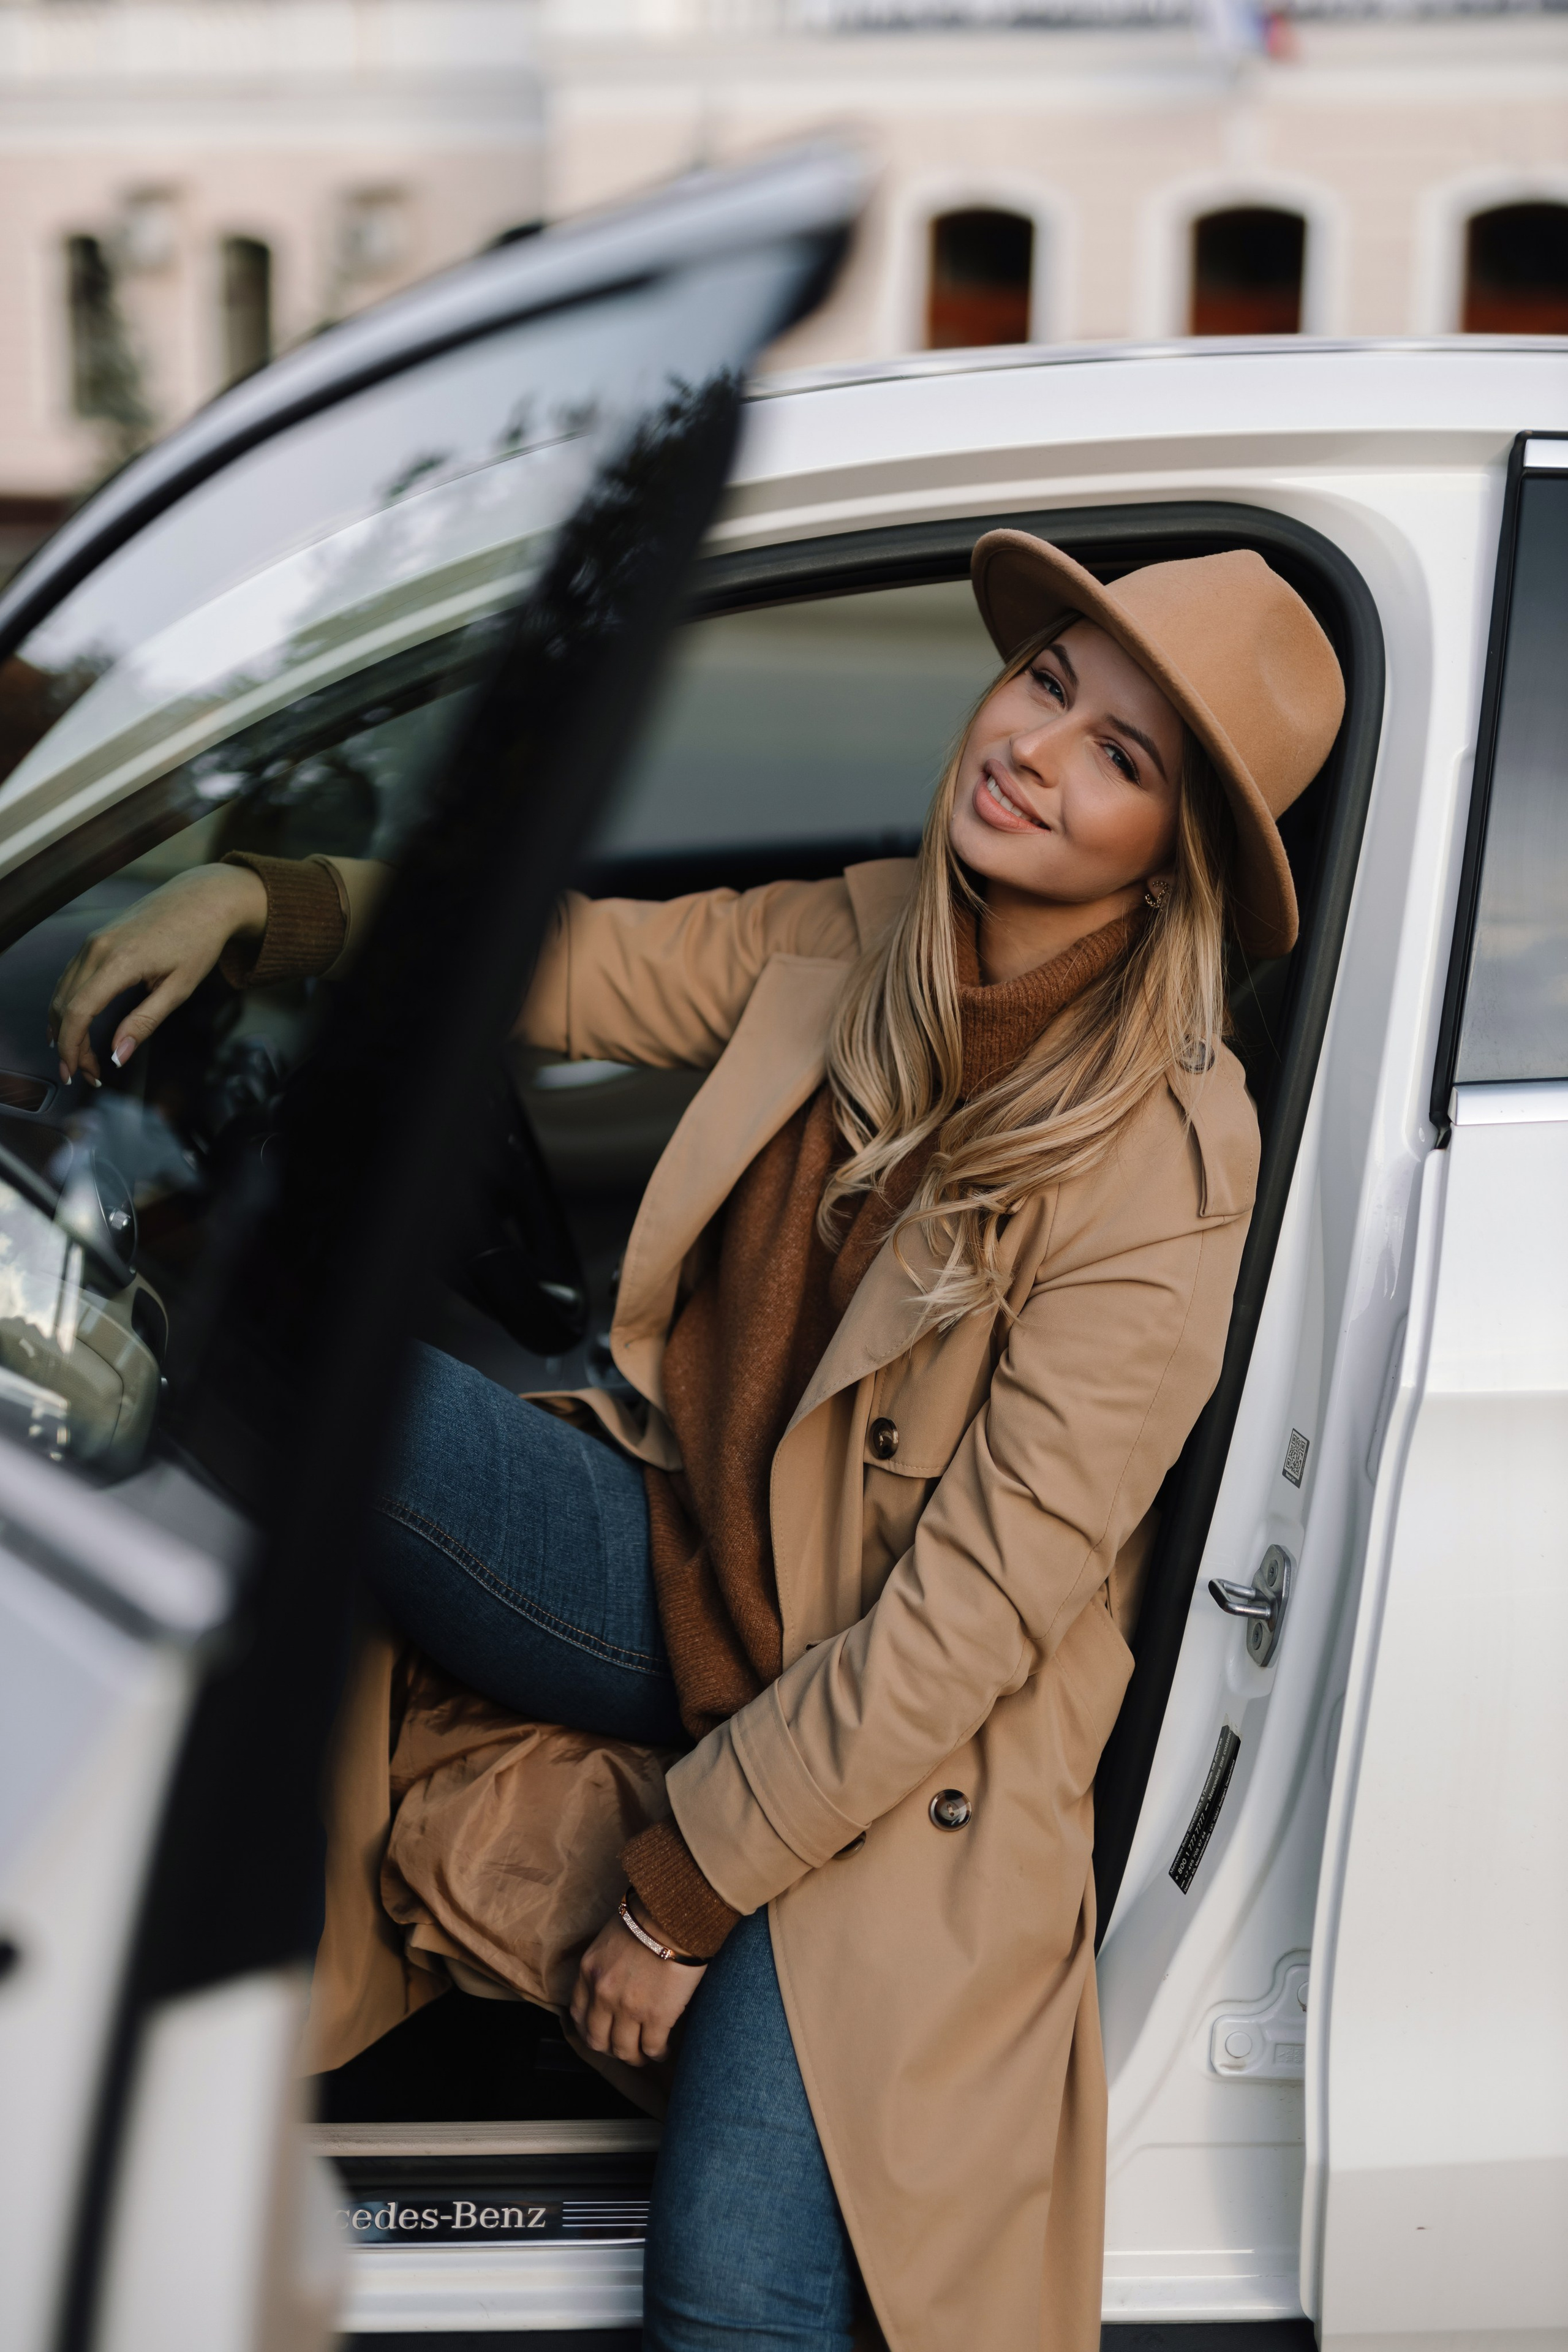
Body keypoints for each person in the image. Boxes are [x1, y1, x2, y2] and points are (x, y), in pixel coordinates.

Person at [50, 533, 1344, 2352]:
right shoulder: (867, 935)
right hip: (692, 1588)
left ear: (1175, 858)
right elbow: (567, 961)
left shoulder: (1164, 1166)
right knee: (290, 1373)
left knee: (738, 2305)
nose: (1041, 751)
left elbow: (961, 1631)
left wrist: (674, 1895)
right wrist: (268, 903)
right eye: (1050, 682)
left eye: (1123, 759)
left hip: (906, 1771)